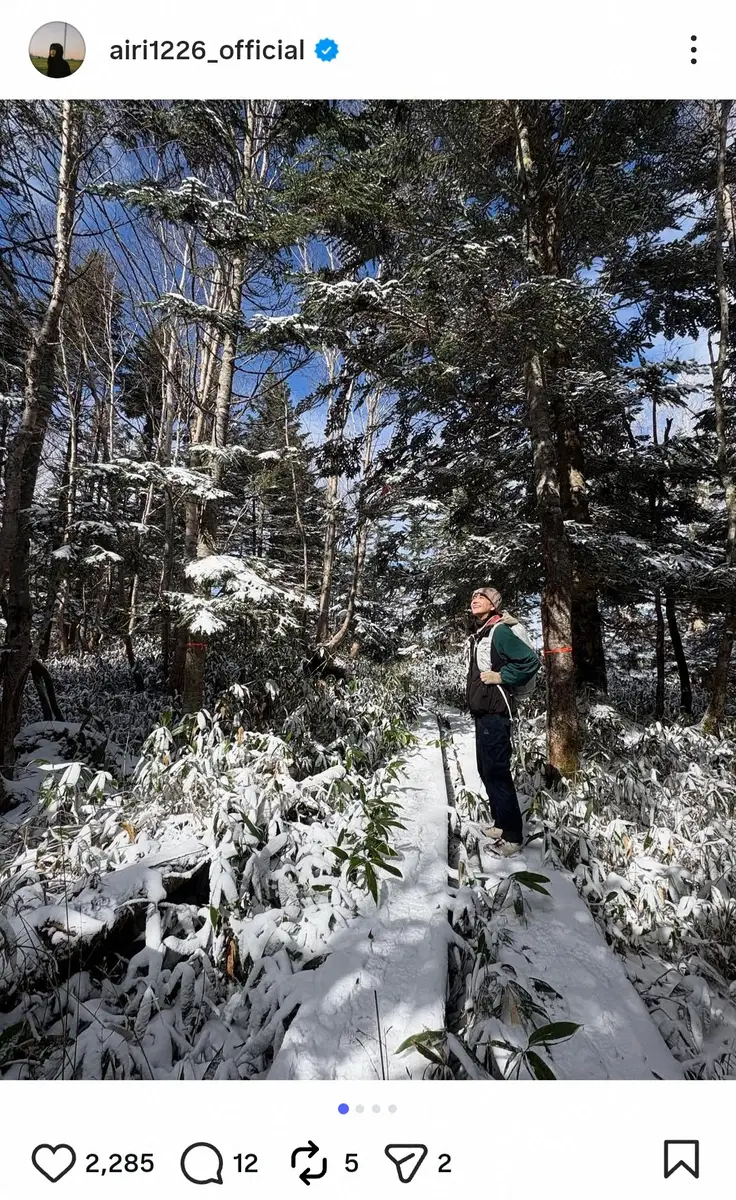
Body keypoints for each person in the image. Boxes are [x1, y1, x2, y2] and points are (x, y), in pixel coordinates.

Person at [466, 586, 540, 856]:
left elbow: (529, 661)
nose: (475, 600)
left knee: (497, 771)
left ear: (494, 605)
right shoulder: (483, 631)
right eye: (473, 597)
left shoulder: (500, 631)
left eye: (481, 597)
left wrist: (501, 676)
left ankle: (512, 836)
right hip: (484, 712)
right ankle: (500, 821)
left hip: (497, 712)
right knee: (486, 769)